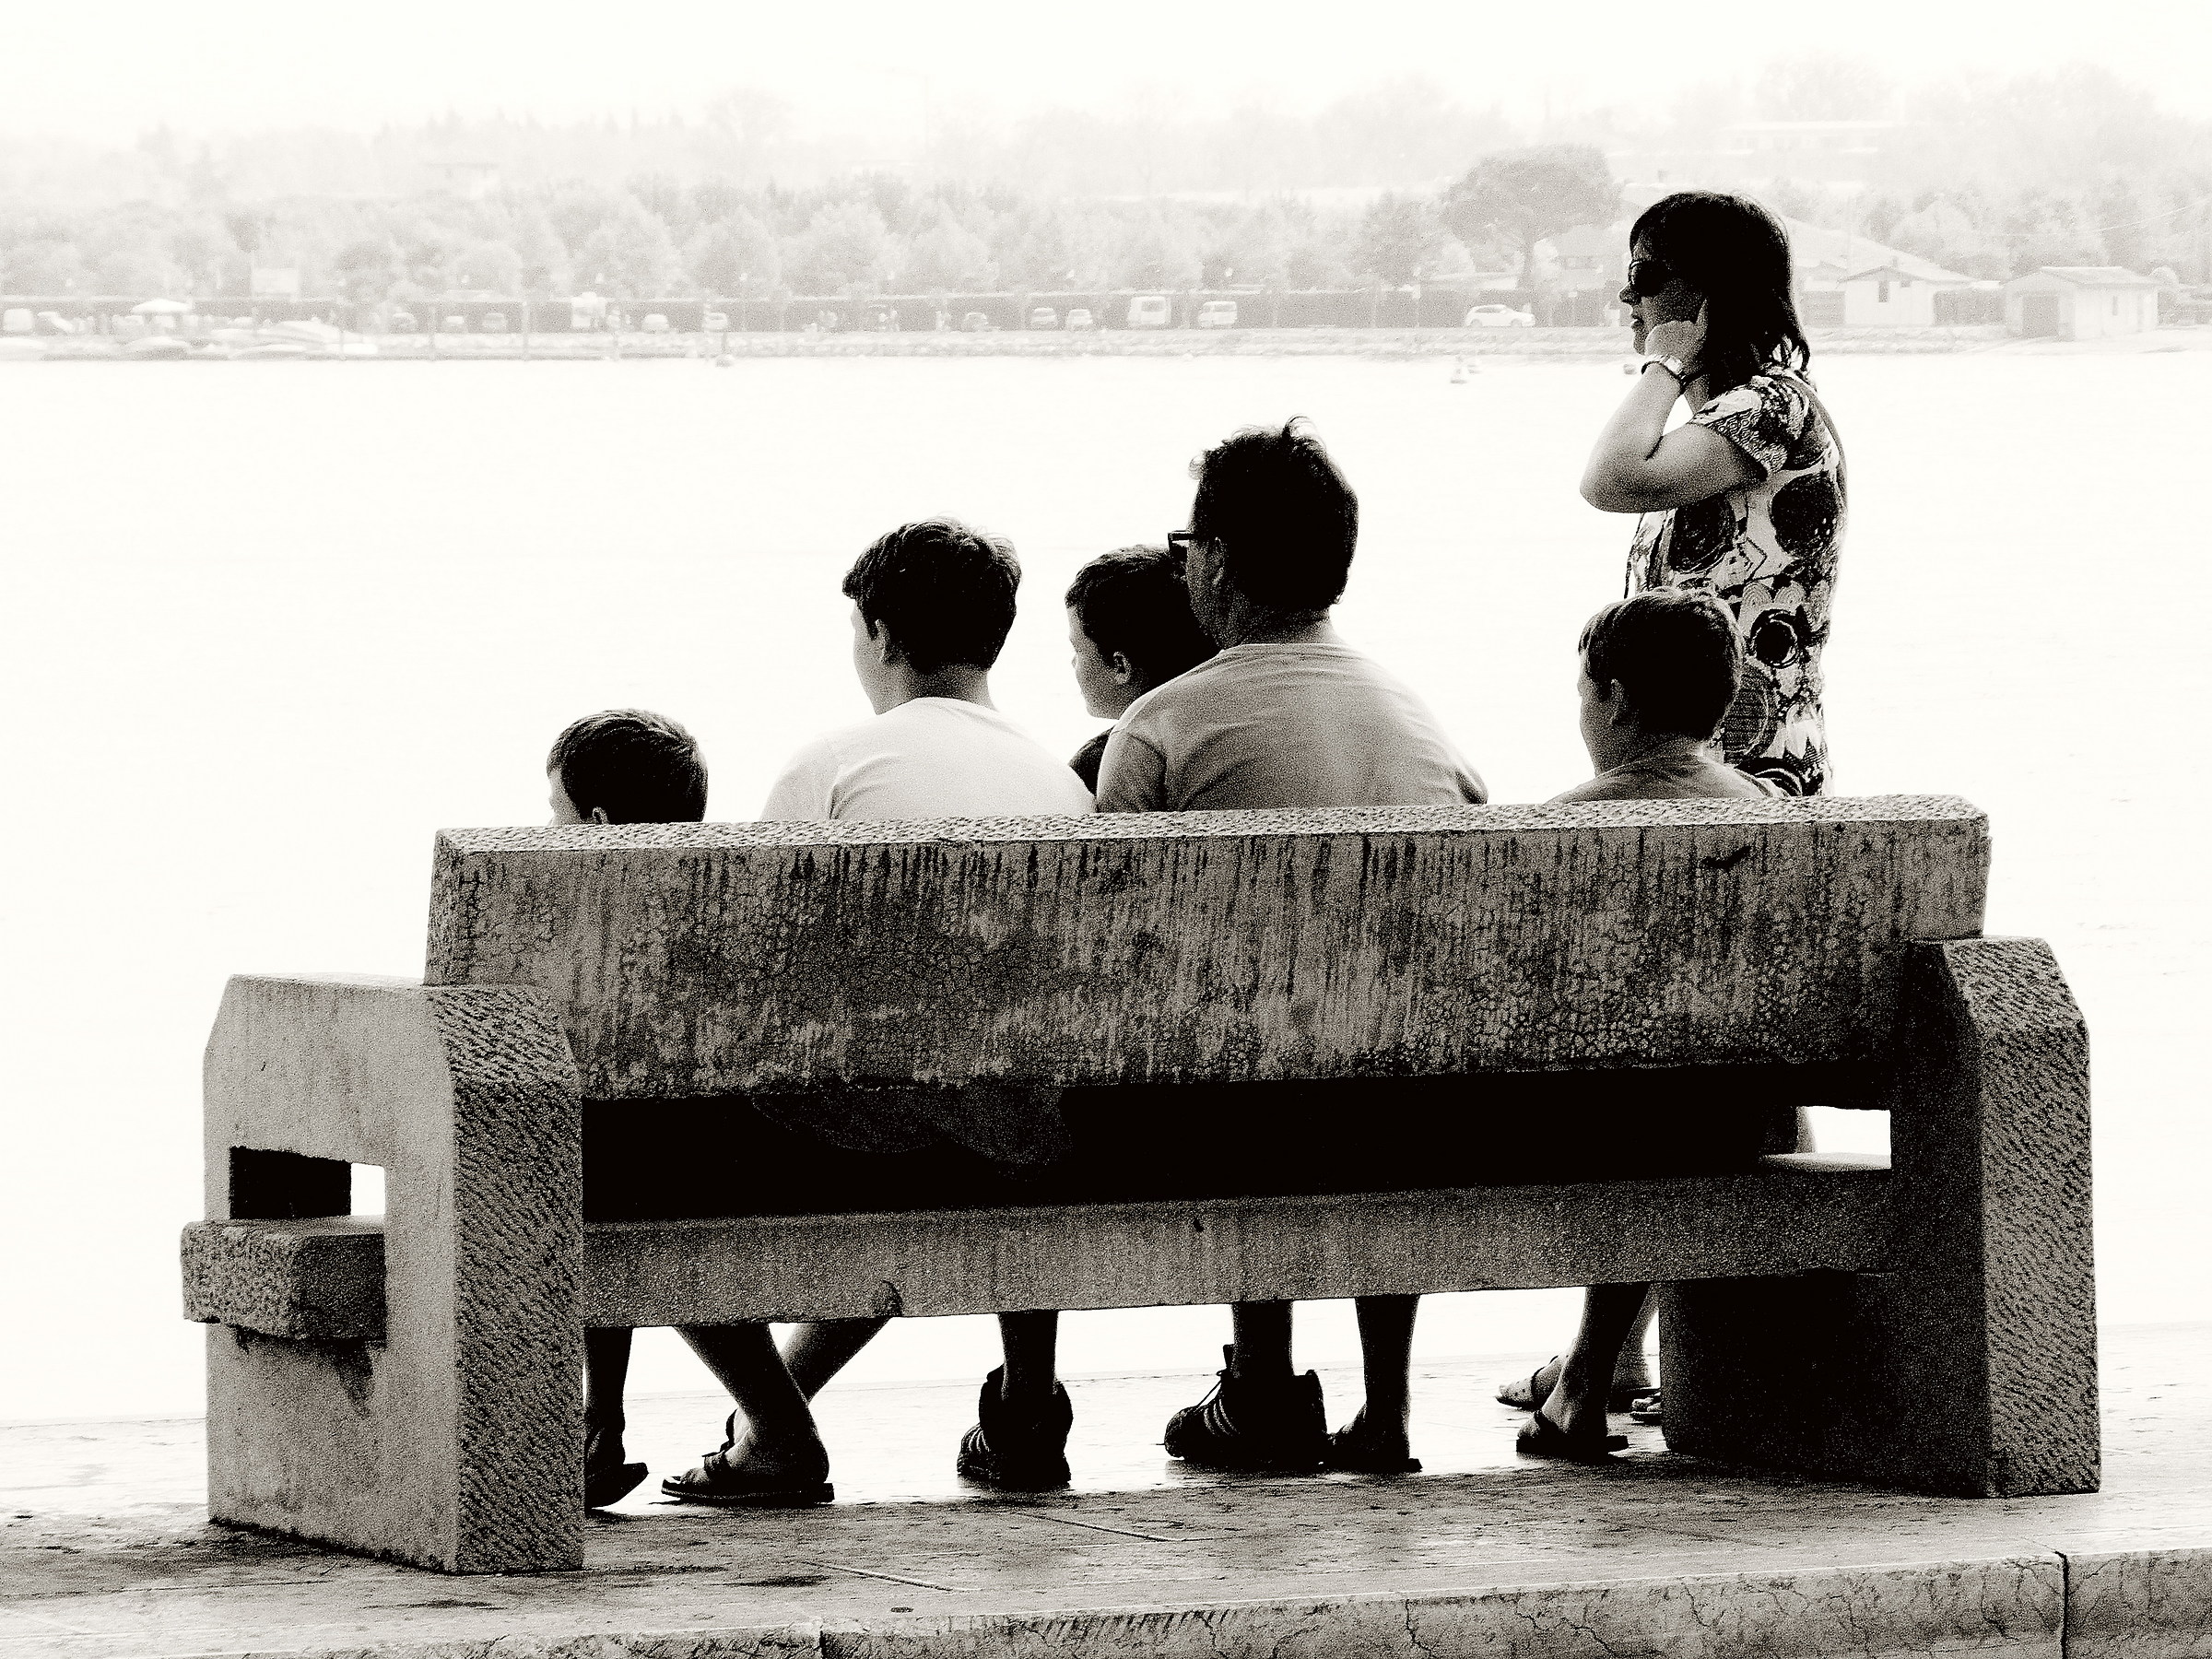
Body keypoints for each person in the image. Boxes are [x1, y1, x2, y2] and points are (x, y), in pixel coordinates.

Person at [659, 516, 1097, 1506]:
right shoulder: (1062, 788)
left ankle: (773, 1428)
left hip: (868, 1141)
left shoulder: (835, 767)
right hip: (1019, 1144)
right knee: (952, 1100)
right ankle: (783, 1418)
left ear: (882, 632)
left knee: (648, 1148)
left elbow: (746, 976)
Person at [1095, 418, 1486, 1477]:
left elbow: (1106, 945)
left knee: (1239, 1045)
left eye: (1189, 548)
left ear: (1215, 559)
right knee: (1365, 1046)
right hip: (1419, 1111)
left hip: (1239, 1117)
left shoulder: (1165, 725)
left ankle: (1262, 1379)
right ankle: (1387, 1410)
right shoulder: (1419, 720)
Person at [1507, 589, 1780, 1464]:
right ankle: (1586, 1377)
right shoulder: (1771, 817)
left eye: (1585, 689)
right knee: (1666, 1104)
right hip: (1746, 1121)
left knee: (1628, 1107)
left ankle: (1585, 1382)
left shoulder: (1560, 827)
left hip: (1597, 1132)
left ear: (1615, 698)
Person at [1581, 190, 1846, 798]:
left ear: (1707, 291)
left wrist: (1666, 364)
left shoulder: (1773, 409)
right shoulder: (1722, 429)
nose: (1628, 297)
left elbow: (1612, 480)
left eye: (1644, 276)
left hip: (1751, 774)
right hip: (1697, 776)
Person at [542, 708, 712, 1510]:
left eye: (556, 815)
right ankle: (596, 1425)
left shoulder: (577, 925)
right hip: (730, 1153)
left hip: (623, 1174)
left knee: (586, 1156)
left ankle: (596, 1423)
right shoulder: (715, 905)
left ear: (599, 823)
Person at [1065, 544, 1215, 789]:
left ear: (1121, 666)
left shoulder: (1097, 768)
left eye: (1077, 650)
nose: (1073, 662)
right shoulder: (1224, 732)